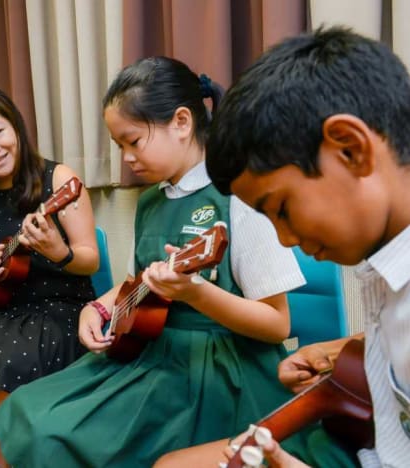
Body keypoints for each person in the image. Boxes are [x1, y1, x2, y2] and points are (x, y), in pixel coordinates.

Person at [0, 56, 309, 468]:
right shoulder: (150, 201)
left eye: (134, 141)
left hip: (219, 369)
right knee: (28, 410)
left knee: (55, 435)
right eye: (119, 146)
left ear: (181, 122)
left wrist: (197, 294)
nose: (126, 157)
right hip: (149, 352)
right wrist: (98, 307)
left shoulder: (238, 196)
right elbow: (136, 281)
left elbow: (277, 324)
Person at [156, 26, 410, 468]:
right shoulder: (386, 259)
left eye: (282, 209)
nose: (286, 239)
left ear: (350, 149)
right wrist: (340, 350)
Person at [0, 84, 99, 468]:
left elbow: (90, 260)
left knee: (13, 359)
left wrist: (59, 252)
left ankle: (3, 460)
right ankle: (18, 455)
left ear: (15, 125)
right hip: (3, 307)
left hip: (61, 307)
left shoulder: (58, 179)